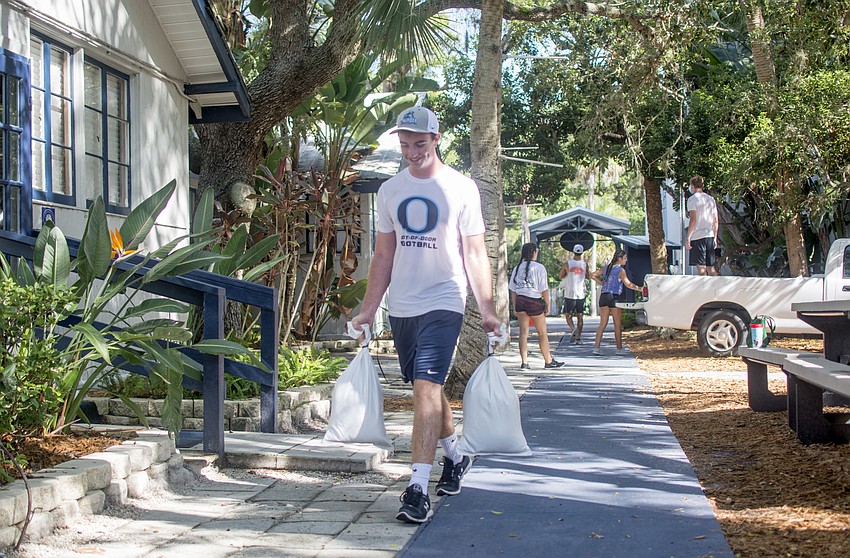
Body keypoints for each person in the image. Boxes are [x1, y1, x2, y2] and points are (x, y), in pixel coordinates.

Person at [349, 106, 501, 525]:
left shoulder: (461, 187)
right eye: (405, 144)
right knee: (427, 390)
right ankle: (456, 456)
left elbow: (474, 252)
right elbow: (384, 253)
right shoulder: (389, 190)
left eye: (420, 143)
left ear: (436, 139)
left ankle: (417, 487)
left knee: (425, 387)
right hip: (403, 304)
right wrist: (368, 309)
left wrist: (486, 309)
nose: (412, 152)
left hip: (445, 298)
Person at [509, 242, 565, 371]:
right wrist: (547, 304)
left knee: (523, 333)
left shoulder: (517, 268)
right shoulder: (539, 267)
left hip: (520, 301)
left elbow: (513, 290)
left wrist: (515, 307)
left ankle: (524, 362)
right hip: (534, 300)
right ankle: (548, 361)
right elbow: (543, 289)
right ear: (534, 252)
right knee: (542, 333)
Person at [590, 249, 642, 355]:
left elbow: (592, 275)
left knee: (602, 324)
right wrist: (640, 288)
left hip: (603, 296)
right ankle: (619, 349)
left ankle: (596, 348)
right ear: (620, 259)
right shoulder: (621, 271)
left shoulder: (606, 268)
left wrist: (601, 283)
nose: (626, 260)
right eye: (625, 258)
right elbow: (628, 284)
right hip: (614, 297)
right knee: (617, 324)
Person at [685, 175, 719, 276]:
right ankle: (716, 287)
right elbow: (715, 220)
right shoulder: (710, 199)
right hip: (710, 235)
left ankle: (704, 289)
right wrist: (715, 237)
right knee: (711, 267)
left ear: (692, 185)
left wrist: (688, 237)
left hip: (698, 236)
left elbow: (693, 219)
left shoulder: (692, 199)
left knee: (701, 267)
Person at [559, 244, 588, 344]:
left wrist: (568, 274)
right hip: (581, 294)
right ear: (582, 252)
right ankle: (578, 338)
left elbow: (560, 276)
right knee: (580, 316)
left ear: (573, 252)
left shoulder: (567, 264)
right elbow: (587, 276)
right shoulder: (585, 264)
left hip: (569, 293)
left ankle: (573, 328)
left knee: (568, 315)